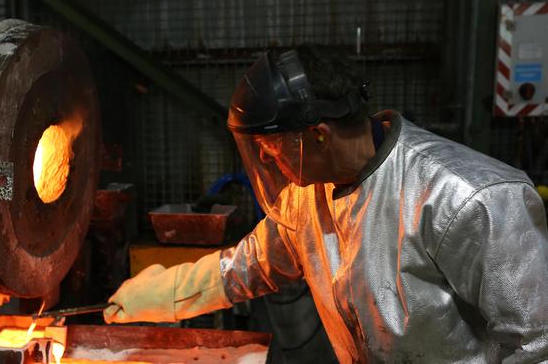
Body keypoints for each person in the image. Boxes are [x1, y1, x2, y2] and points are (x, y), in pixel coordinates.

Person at [104, 46, 548, 363]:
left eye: (272, 145)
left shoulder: (470, 199)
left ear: (317, 134)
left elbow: (537, 343)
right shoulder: (306, 199)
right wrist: (160, 295)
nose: (266, 159)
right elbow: (247, 267)